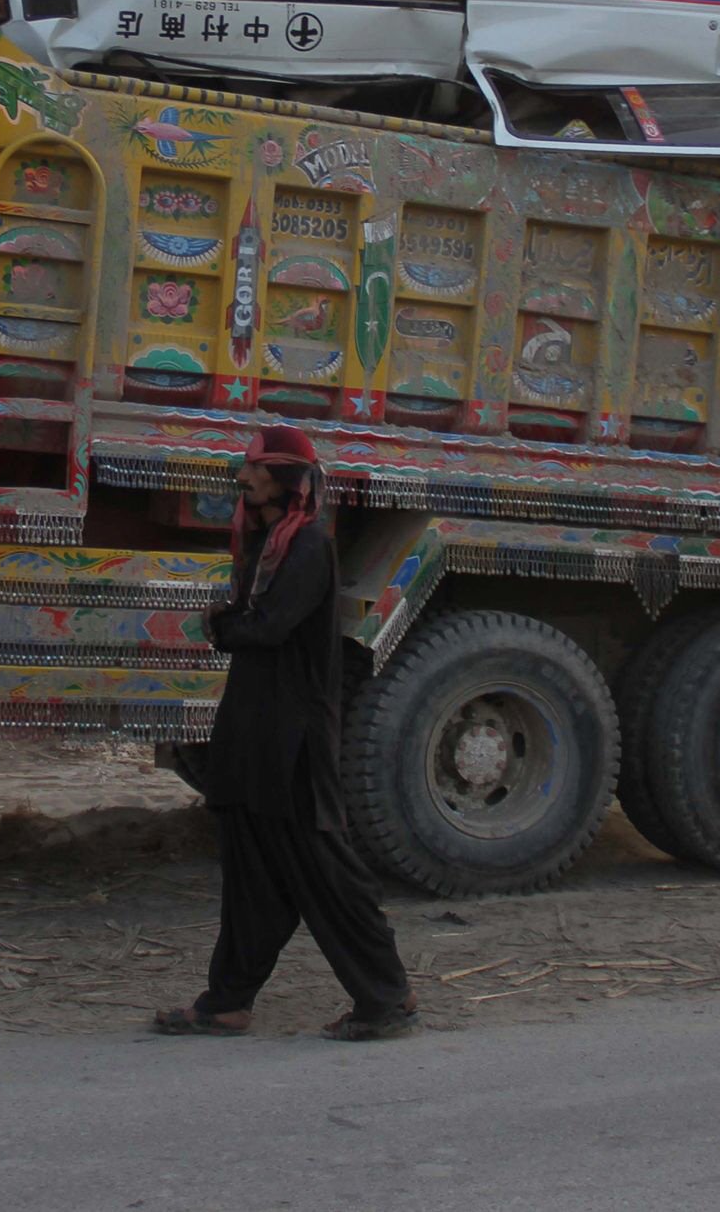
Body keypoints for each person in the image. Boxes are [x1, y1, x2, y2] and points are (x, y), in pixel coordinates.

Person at [153, 427, 416, 1041]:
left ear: (289, 481)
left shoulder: (307, 549)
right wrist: (231, 621)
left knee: (323, 871)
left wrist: (224, 625)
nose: (244, 480)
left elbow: (267, 629)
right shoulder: (272, 543)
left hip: (292, 739)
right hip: (255, 733)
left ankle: (387, 996)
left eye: (259, 470)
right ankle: (227, 1001)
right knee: (252, 875)